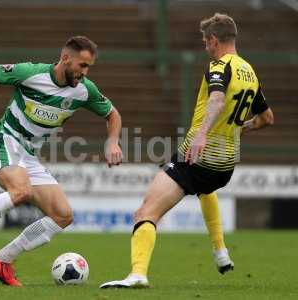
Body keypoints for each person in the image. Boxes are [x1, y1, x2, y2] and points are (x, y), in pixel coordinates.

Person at [0, 36, 123, 287]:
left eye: (89, 67)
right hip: (2, 140)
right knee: (20, 191)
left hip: (28, 155)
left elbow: (112, 114)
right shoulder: (31, 73)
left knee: (63, 215)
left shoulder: (84, 90)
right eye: (82, 65)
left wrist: (112, 141)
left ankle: (2, 260)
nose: (85, 72)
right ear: (66, 58)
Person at [100, 13, 274, 289]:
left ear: (214, 41)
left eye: (206, 42)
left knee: (145, 213)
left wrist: (202, 135)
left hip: (197, 159)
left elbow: (216, 99)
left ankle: (138, 274)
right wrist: (240, 128)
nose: (205, 47)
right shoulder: (250, 72)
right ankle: (220, 252)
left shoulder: (219, 66)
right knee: (206, 188)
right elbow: (267, 118)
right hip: (225, 166)